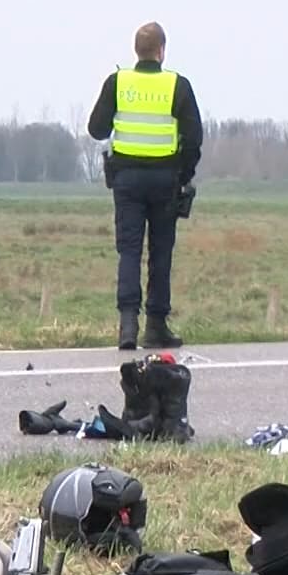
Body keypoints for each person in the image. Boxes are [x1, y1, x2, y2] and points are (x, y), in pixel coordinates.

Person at [88, 21, 203, 351]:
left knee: (129, 249)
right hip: (166, 180)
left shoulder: (118, 82)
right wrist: (184, 174)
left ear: (136, 51)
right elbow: (194, 138)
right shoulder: (177, 85)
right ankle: (155, 325)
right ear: (162, 51)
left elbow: (96, 129)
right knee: (161, 253)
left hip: (126, 180)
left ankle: (127, 324)